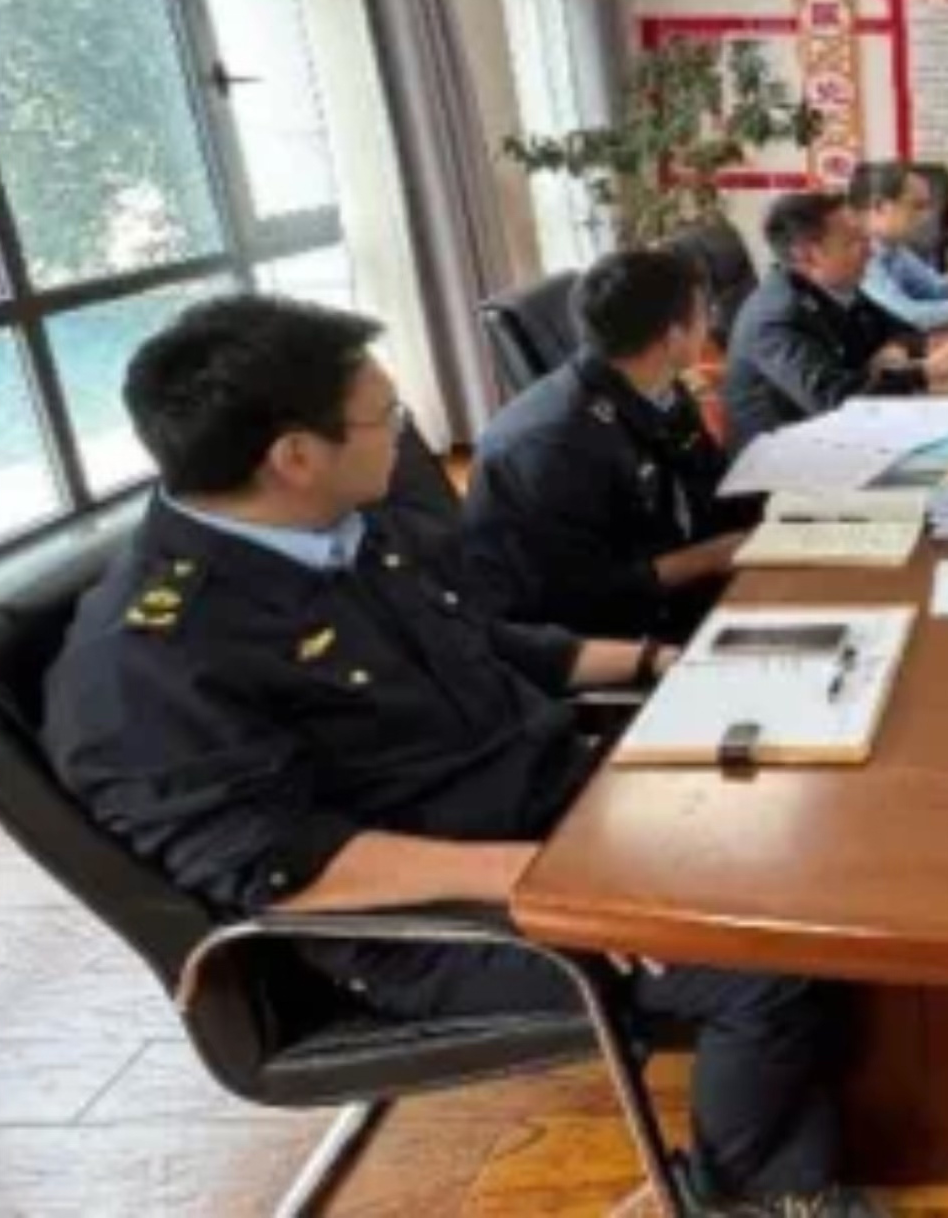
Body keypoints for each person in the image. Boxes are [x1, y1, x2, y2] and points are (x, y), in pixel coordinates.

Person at [45, 293, 864, 1218]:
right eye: (384, 415)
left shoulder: (339, 530)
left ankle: (810, 1115)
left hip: (551, 810)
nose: (404, 431)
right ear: (295, 456)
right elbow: (281, 867)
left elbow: (483, 641)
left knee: (810, 827)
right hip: (428, 918)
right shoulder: (149, 657)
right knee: (763, 956)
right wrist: (544, 877)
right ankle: (749, 1197)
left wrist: (658, 662)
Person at [464, 249, 761, 642]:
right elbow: (584, 595)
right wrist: (706, 558)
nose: (713, 323)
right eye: (705, 313)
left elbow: (709, 481)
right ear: (673, 337)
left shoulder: (659, 386)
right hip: (602, 638)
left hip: (671, 586)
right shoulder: (557, 447)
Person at [722, 190, 948, 450]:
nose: (870, 251)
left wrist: (921, 346)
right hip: (780, 457)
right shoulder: (775, 319)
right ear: (808, 256)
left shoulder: (839, 288)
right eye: (853, 242)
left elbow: (899, 331)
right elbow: (836, 400)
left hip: (837, 438)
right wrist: (924, 372)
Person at [846, 164, 948, 331]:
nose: (928, 216)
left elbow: (934, 290)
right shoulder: (857, 253)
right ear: (879, 207)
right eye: (917, 206)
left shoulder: (894, 248)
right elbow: (908, 316)